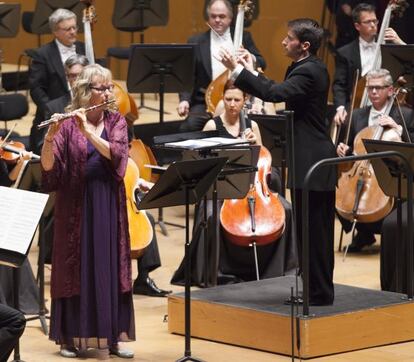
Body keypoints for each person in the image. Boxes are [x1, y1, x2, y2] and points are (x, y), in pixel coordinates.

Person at [220, 18, 337, 305]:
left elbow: (276, 93)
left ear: (304, 45)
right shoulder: (306, 67)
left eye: (289, 38)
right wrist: (252, 69)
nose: (284, 42)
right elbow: (279, 87)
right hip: (307, 158)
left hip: (314, 161)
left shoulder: (310, 71)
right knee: (309, 231)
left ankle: (319, 293)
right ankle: (315, 290)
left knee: (316, 233)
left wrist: (238, 71)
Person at [40, 64, 134, 359]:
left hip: (106, 200)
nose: (107, 93)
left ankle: (113, 337)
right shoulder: (67, 125)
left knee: (109, 266)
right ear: (84, 91)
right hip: (75, 204)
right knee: (74, 269)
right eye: (100, 88)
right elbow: (48, 168)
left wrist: (89, 134)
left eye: (109, 88)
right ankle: (69, 337)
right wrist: (49, 137)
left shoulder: (116, 120)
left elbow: (117, 154)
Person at [171, 80, 297, 286]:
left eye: (237, 100)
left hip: (250, 187)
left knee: (287, 210)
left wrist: (253, 144)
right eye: (228, 99)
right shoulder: (212, 125)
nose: (232, 104)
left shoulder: (252, 126)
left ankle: (279, 270)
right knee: (212, 217)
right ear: (223, 99)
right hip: (220, 189)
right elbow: (202, 164)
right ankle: (215, 272)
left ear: (244, 101)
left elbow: (264, 160)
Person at [336, 68, 414, 252]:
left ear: (390, 90)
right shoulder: (357, 115)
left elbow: (412, 145)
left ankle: (387, 234)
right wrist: (343, 149)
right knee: (335, 191)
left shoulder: (405, 114)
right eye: (370, 88)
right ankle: (364, 233)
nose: (373, 92)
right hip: (360, 170)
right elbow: (350, 146)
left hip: (390, 172)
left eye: (378, 88)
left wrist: (398, 129)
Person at [177, 0, 266, 132]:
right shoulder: (196, 41)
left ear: (230, 18)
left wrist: (250, 56)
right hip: (205, 101)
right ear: (208, 18)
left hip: (237, 99)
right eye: (213, 16)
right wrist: (184, 100)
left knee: (256, 125)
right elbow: (187, 74)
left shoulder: (243, 37)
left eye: (222, 16)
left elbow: (262, 62)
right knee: (188, 127)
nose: (217, 20)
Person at [332, 3, 405, 125]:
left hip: (387, 106)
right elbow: (339, 85)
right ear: (357, 26)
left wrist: (399, 42)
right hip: (357, 107)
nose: (373, 25)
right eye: (368, 22)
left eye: (375, 21)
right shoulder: (344, 53)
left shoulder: (389, 47)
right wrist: (340, 108)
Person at [29, 8, 85, 154]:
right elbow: (36, 88)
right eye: (67, 29)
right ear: (55, 31)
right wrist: (52, 108)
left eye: (75, 27)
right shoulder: (42, 54)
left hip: (83, 111)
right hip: (55, 114)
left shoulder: (84, 48)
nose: (73, 31)